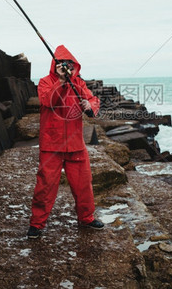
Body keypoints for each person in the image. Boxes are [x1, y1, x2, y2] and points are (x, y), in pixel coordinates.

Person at [27, 45, 103, 239]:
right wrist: (60, 82)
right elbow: (48, 101)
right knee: (45, 185)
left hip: (75, 143)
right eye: (63, 64)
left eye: (70, 64)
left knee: (84, 183)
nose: (67, 67)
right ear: (56, 65)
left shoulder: (79, 83)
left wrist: (90, 105)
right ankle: (37, 224)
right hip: (51, 144)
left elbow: (94, 101)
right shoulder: (45, 82)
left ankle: (86, 218)